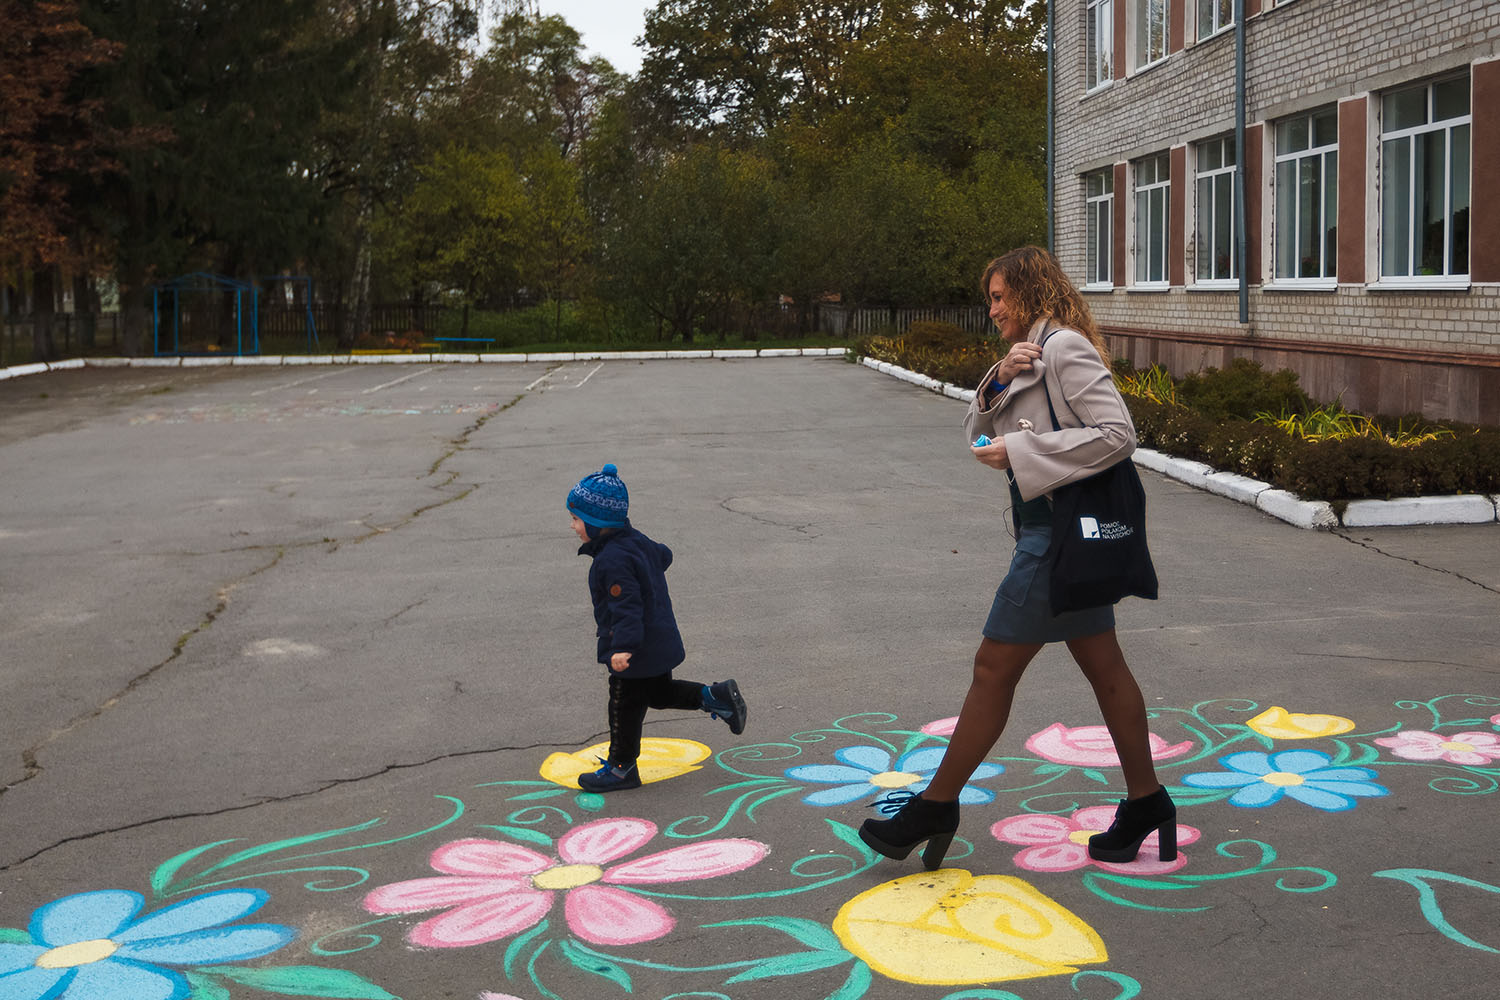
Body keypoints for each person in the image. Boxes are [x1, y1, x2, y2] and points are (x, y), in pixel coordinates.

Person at [859, 246, 1175, 870]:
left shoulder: (1064, 347)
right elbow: (975, 432)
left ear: (1031, 292)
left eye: (1001, 297)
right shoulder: (1028, 355)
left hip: (1056, 539)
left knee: (992, 668)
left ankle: (937, 805)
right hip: (1050, 532)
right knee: (1105, 669)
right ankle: (1148, 802)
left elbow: (1119, 434)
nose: (993, 309)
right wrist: (1000, 378)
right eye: (990, 300)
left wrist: (1022, 452)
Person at [567, 463, 748, 793]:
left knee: (624, 703)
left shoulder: (612, 560)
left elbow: (626, 608)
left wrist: (623, 647)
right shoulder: (633, 542)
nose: (572, 526)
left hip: (637, 649)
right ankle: (714, 697)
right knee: (660, 694)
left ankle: (621, 768)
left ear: (598, 524)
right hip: (658, 641)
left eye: (577, 519)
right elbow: (663, 555)